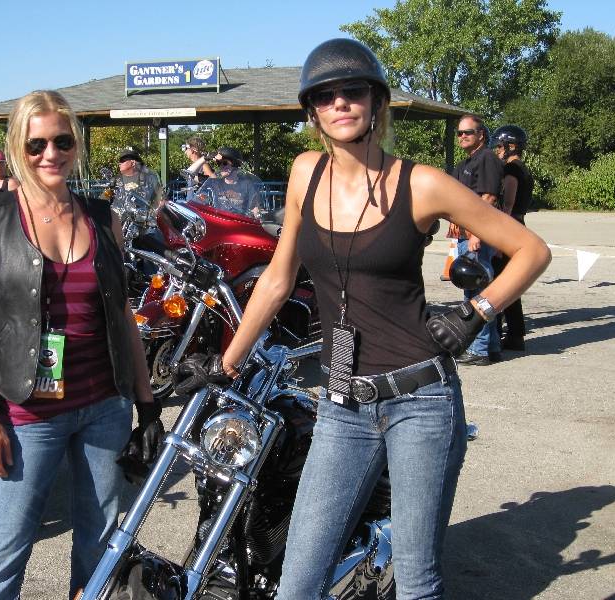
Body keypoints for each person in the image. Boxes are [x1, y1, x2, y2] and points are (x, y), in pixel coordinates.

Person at [220, 38, 551, 600]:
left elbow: (531, 250)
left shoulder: (419, 183)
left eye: (353, 90)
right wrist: (226, 363)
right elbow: (277, 280)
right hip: (341, 403)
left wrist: (475, 314)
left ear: (376, 101)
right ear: (312, 111)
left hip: (420, 399)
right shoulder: (305, 173)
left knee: (416, 581)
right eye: (324, 95)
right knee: (297, 581)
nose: (339, 102)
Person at [0, 90, 162, 599]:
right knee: (1, 559)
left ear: (76, 145)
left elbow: (122, 317)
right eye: (37, 144)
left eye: (62, 141)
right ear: (18, 147)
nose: (51, 153)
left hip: (105, 407)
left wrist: (147, 405)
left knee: (99, 550)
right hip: (27, 414)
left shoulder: (102, 217)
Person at [450, 114, 505, 365]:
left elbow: (489, 198)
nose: (462, 136)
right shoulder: (465, 163)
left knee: (476, 293)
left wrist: (475, 233)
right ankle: (491, 347)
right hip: (466, 235)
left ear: (481, 135)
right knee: (478, 291)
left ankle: (479, 350)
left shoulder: (487, 159)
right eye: (459, 133)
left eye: (467, 132)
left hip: (477, 236)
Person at [490, 125, 534, 352]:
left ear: (511, 146)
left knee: (500, 280)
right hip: (519, 226)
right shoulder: (523, 168)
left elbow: (507, 204)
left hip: (510, 227)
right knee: (510, 282)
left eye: (500, 146)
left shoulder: (511, 170)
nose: (497, 150)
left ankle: (502, 333)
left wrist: (500, 239)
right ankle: (515, 333)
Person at [200, 146, 263, 218]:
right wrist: (205, 158)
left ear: (235, 165)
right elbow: (191, 173)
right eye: (219, 163)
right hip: (219, 221)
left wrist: (258, 216)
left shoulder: (247, 185)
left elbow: (255, 209)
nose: (221, 166)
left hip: (239, 222)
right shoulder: (215, 183)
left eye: (225, 163)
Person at [114, 147, 163, 214]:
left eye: (122, 160)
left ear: (133, 163)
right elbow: (105, 199)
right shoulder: (116, 180)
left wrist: (153, 212)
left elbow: (161, 200)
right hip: (120, 217)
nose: (119, 163)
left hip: (143, 217)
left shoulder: (150, 178)